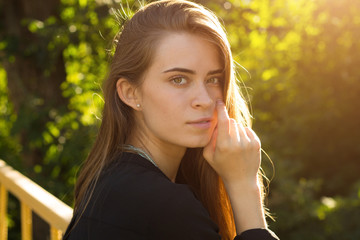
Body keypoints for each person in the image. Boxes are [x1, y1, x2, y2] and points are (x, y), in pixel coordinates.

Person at [63, 0, 279, 239]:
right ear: (130, 93)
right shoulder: (163, 205)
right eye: (179, 79)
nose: (205, 100)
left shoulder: (110, 181)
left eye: (213, 79)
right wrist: (244, 187)